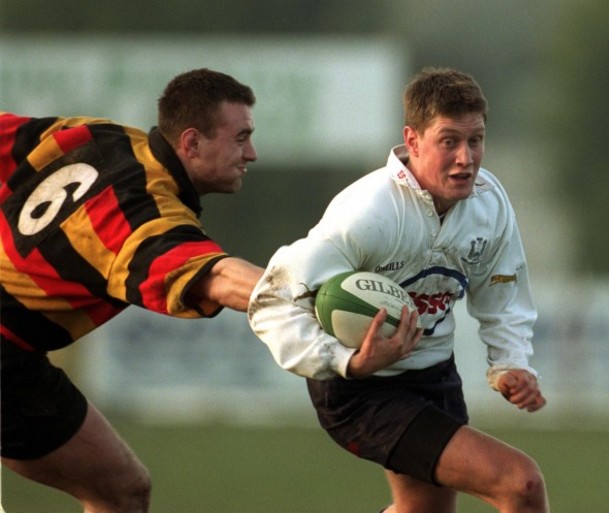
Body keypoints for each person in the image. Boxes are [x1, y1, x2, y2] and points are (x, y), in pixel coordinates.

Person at [248, 67, 549, 513]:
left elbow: (502, 287)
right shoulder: (371, 212)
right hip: (363, 391)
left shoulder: (489, 203)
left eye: (476, 140)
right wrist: (347, 360)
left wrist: (509, 364)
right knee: (519, 484)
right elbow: (271, 299)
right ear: (412, 141)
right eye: (449, 141)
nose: (466, 158)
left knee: (423, 510)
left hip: (434, 376)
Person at [1, 68, 264, 512]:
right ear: (192, 142)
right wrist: (307, 293)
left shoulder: (97, 135)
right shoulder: (147, 211)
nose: (252, 154)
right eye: (240, 137)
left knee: (122, 491)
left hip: (17, 362)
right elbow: (215, 277)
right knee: (120, 493)